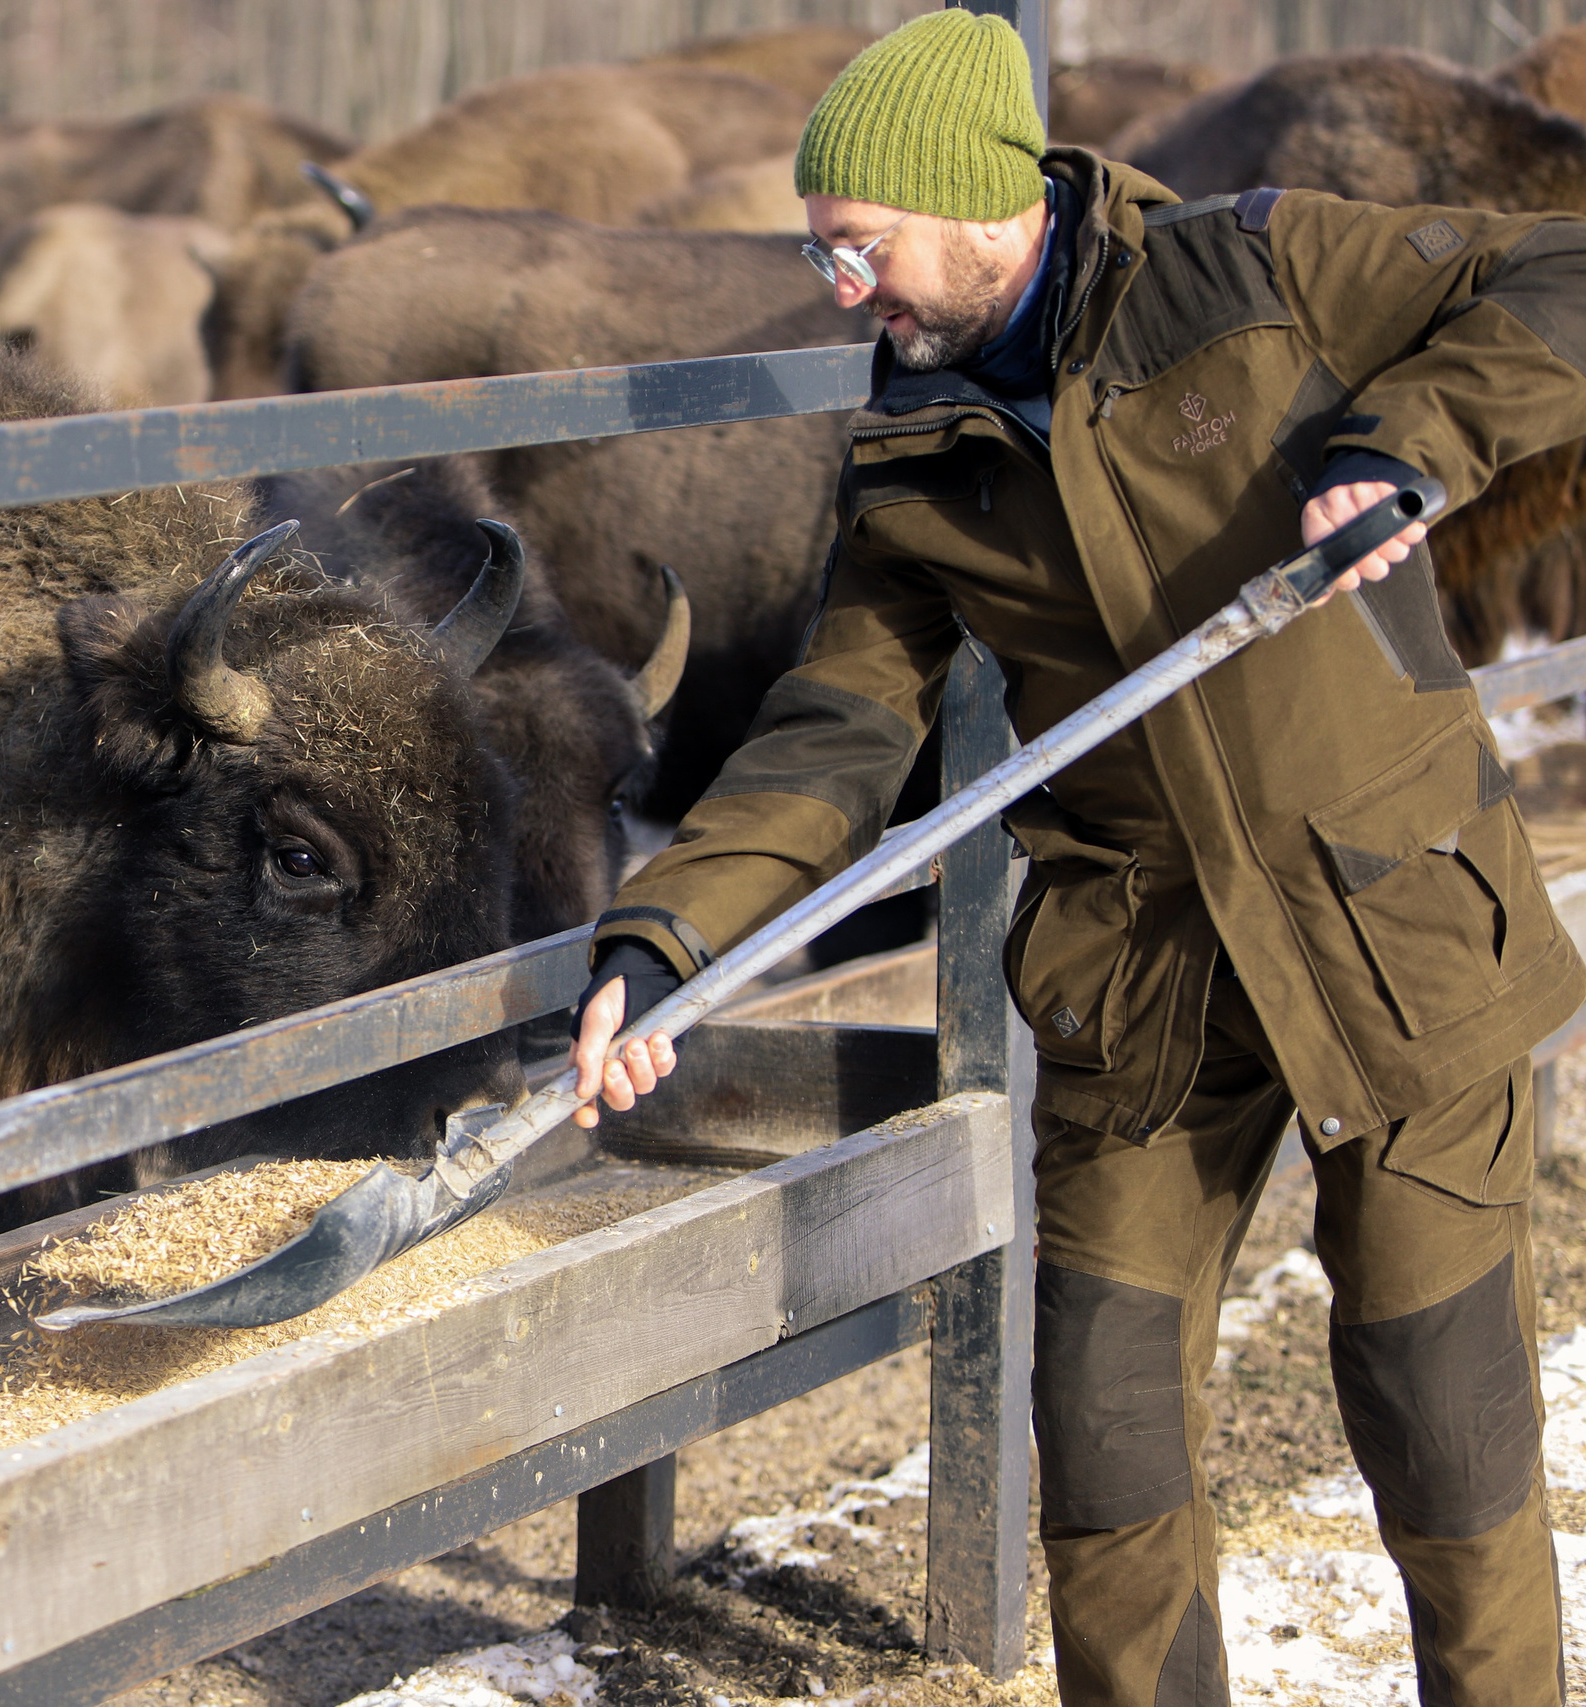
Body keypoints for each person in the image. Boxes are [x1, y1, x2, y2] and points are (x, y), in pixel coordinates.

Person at [568, 10, 1586, 1703]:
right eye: (822, 257)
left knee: (1440, 1427)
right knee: (1105, 1450)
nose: (843, 295)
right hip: (1145, 983)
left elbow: (1564, 272)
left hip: (1392, 934)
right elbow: (835, 733)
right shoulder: (910, 451)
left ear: (976, 207)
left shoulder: (1256, 269)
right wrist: (669, 942)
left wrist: (1408, 440)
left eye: (858, 249)